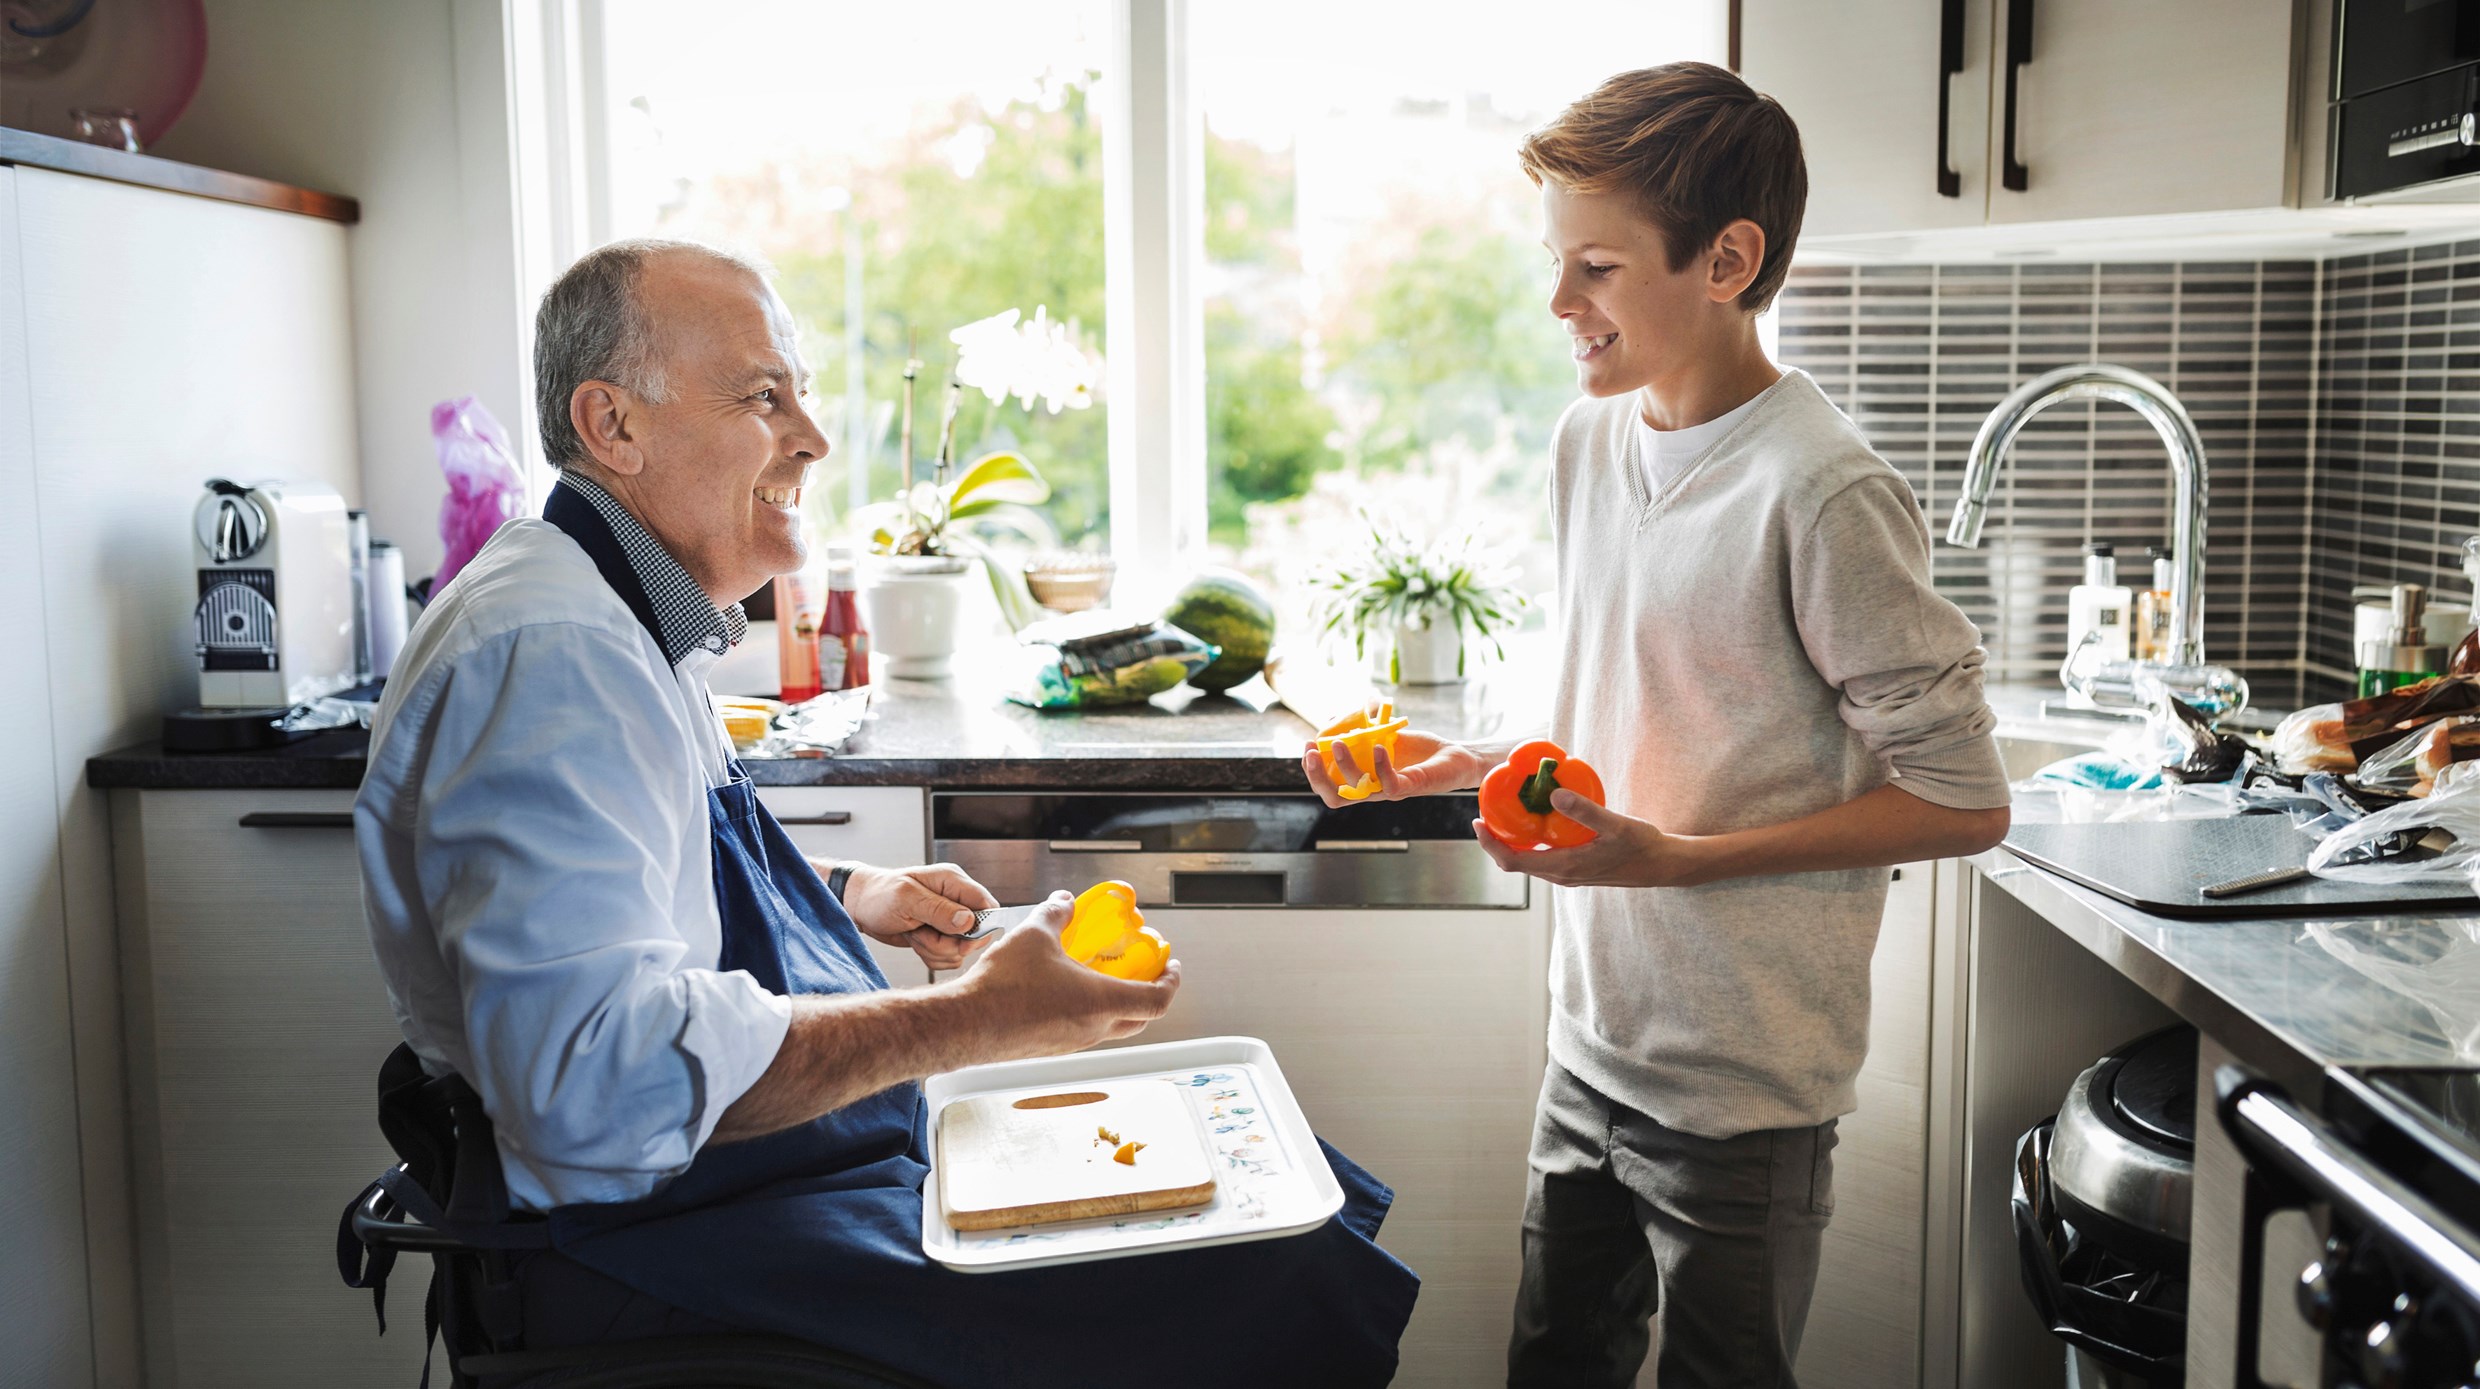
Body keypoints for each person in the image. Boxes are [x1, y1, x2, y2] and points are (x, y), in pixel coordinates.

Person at [357, 237, 1417, 1386]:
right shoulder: (554, 657)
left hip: (753, 1193)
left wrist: (855, 894)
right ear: (614, 427)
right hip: (657, 1256)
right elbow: (596, 1087)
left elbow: (638, 893)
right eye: (765, 397)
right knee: (1270, 1274)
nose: (811, 436)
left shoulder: (614, 612)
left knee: (1277, 1188)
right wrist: (974, 1019)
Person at [1303, 63, 2011, 1389]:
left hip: (1747, 1087)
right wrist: (1465, 761)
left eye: (1597, 269)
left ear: (1728, 261)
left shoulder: (1822, 488)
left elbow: (1967, 801)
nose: (1559, 304)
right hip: (1592, 1040)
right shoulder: (1591, 441)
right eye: (1557, 264)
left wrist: (1673, 861)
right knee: (1552, 1364)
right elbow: (1618, 701)